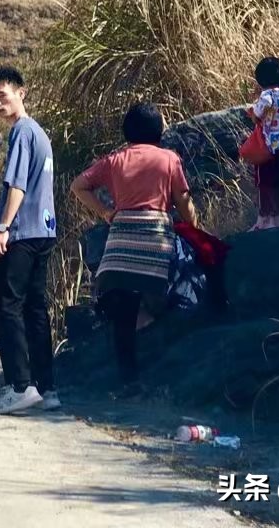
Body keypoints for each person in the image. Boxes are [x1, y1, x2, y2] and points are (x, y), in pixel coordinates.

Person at [71, 102, 198, 393]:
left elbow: (78, 186)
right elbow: (183, 200)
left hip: (120, 244)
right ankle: (166, 374)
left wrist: (105, 212)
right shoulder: (168, 159)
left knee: (123, 316)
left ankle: (129, 381)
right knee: (167, 301)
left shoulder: (115, 159)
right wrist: (194, 228)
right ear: (158, 128)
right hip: (155, 240)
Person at [0, 65, 60, 414]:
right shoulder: (41, 134)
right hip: (44, 231)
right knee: (35, 309)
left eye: (2, 95)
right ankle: (47, 388)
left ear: (21, 93)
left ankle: (20, 385)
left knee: (8, 307)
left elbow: (17, 185)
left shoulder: (22, 132)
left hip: (23, 232)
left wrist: (2, 227)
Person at [249, 56, 279, 229]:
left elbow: (257, 116)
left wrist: (252, 112)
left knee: (264, 183)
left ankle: (263, 219)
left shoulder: (266, 96)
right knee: (278, 183)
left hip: (266, 148)